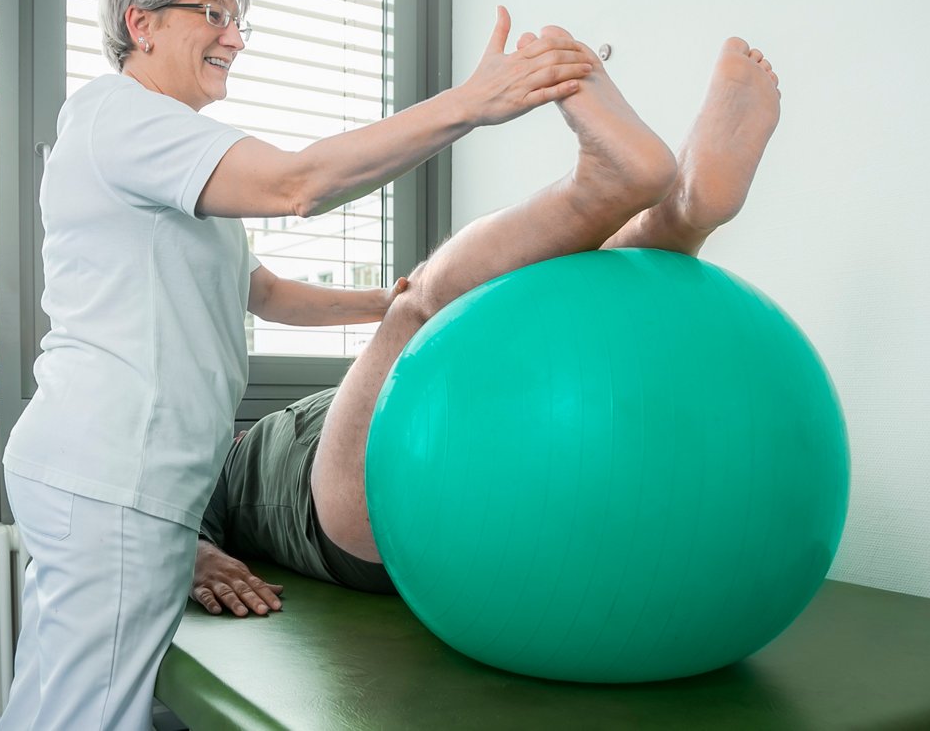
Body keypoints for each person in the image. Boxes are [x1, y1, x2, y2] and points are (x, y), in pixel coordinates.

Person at [0, 0, 599, 731]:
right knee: (91, 714)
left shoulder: (163, 160)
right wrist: (469, 105)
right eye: (212, 13)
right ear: (140, 23)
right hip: (111, 465)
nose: (234, 38)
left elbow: (268, 293)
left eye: (239, 18)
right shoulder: (122, 119)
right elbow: (297, 184)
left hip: (110, 468)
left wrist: (398, 304)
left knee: (56, 698)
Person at [189, 30, 782, 617]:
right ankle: (622, 198)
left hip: (447, 461)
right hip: (339, 513)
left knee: (514, 315)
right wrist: (197, 554)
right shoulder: (199, 471)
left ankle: (671, 219)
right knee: (422, 308)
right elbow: (156, 525)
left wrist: (375, 301)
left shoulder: (234, 425)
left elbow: (268, 295)